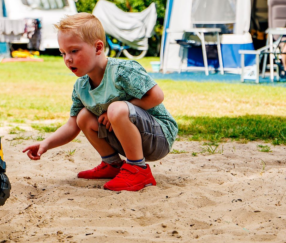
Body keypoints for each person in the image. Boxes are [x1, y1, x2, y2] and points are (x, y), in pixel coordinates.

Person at [22, 13, 177, 192]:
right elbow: (72, 125)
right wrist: (46, 144)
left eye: (74, 51)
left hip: (159, 137)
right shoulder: (81, 87)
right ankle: (112, 165)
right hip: (129, 139)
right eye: (63, 53)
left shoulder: (122, 71)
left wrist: (117, 113)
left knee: (116, 109)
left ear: (98, 47)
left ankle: (138, 170)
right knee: (83, 116)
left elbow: (156, 96)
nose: (67, 59)